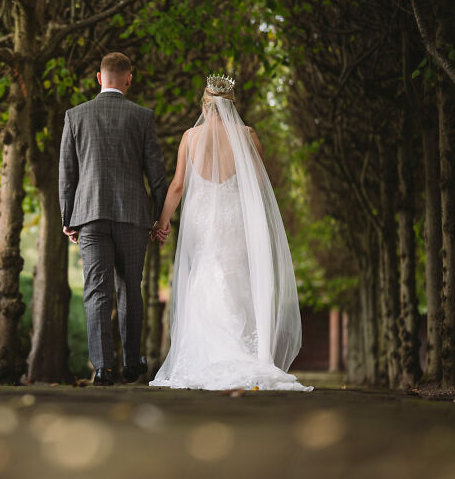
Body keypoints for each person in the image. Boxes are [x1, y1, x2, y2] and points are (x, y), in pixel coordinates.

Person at [149, 74, 312, 391]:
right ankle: (242, 351)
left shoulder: (190, 137)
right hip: (234, 219)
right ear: (232, 105)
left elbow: (178, 185)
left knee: (206, 278)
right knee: (237, 279)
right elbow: (261, 184)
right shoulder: (247, 135)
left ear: (205, 105)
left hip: (202, 222)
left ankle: (208, 355)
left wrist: (162, 222)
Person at [59, 52, 167, 385]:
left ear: (98, 77)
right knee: (129, 288)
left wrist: (68, 218)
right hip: (133, 216)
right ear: (129, 79)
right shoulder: (142, 117)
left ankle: (103, 367)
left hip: (89, 216)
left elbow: (67, 173)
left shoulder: (75, 116)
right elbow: (158, 175)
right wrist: (160, 220)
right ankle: (132, 363)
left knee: (96, 291)